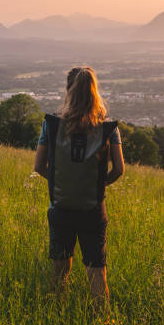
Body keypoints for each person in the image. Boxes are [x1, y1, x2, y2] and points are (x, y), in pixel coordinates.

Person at [34, 66, 125, 305]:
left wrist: (59, 182)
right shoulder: (108, 128)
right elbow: (119, 169)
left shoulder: (51, 125)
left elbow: (39, 167)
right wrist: (97, 184)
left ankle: (55, 318)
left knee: (59, 272)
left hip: (60, 207)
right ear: (94, 92)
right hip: (93, 209)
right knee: (97, 272)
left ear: (68, 91)